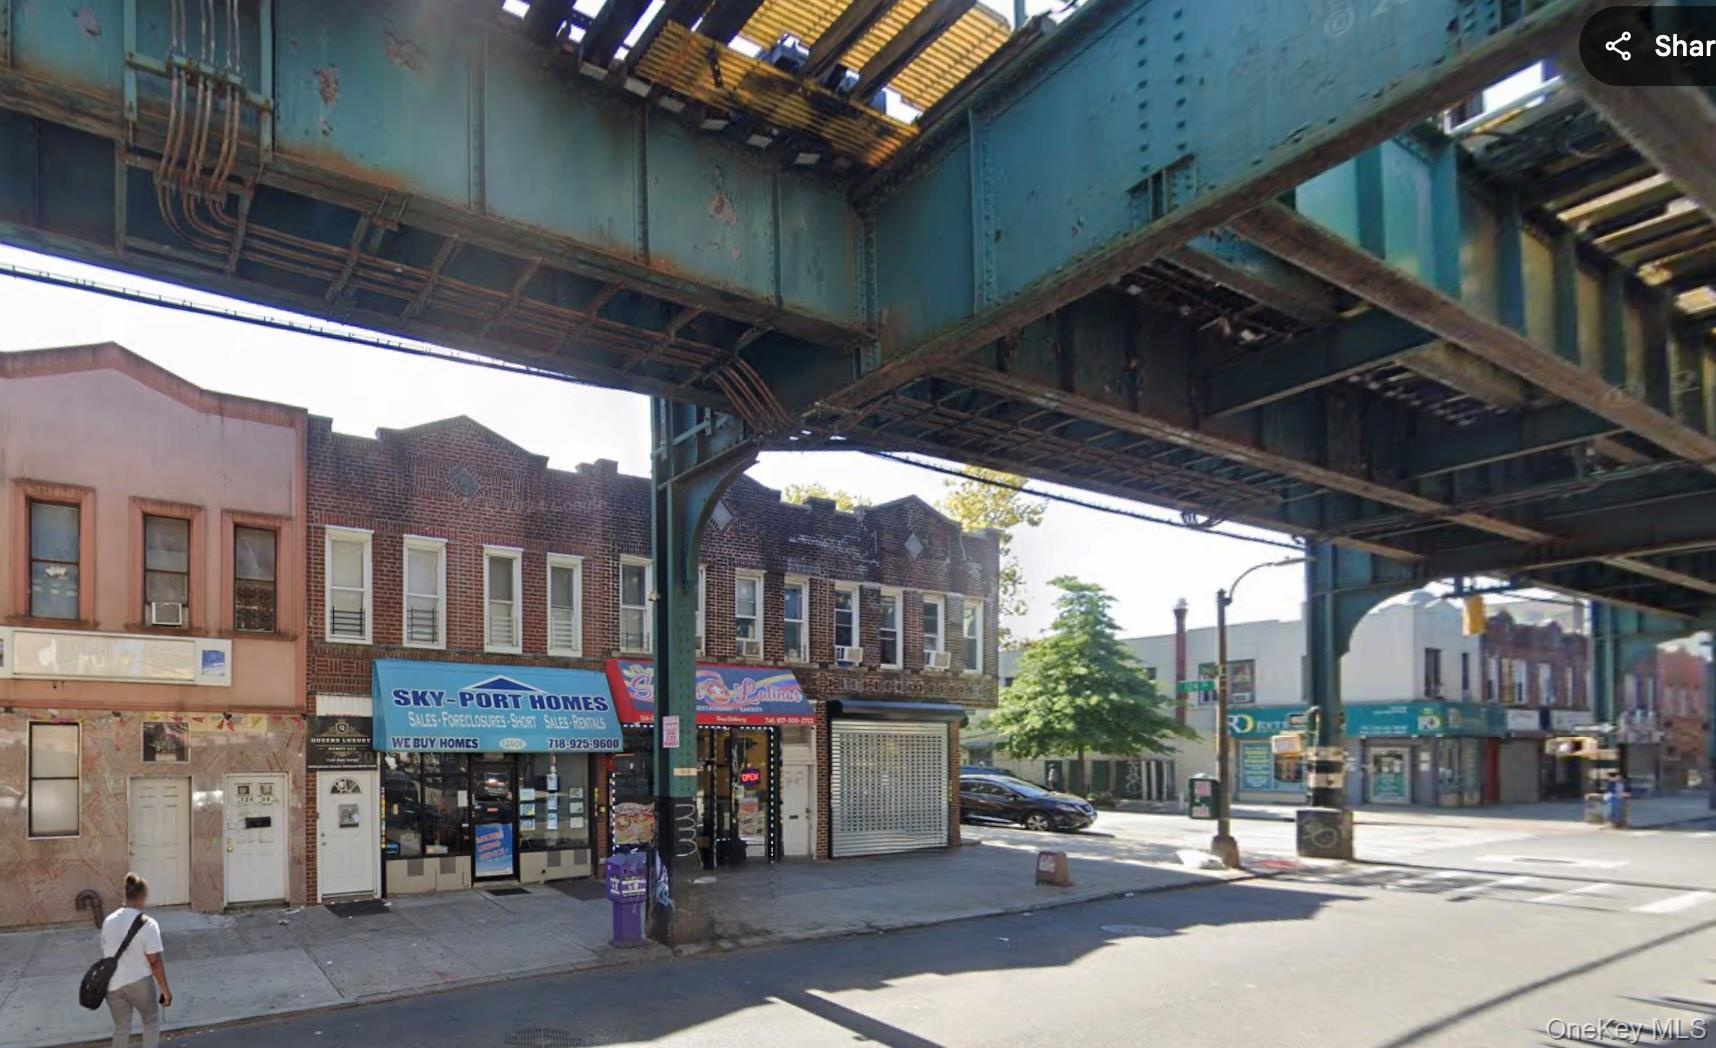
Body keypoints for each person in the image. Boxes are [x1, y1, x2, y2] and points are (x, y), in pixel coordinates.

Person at [100, 873, 171, 1048]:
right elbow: (154, 961)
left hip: (113, 985)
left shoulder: (108, 921)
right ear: (142, 897)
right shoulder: (149, 924)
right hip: (140, 983)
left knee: (121, 1028)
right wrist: (165, 990)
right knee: (150, 1022)